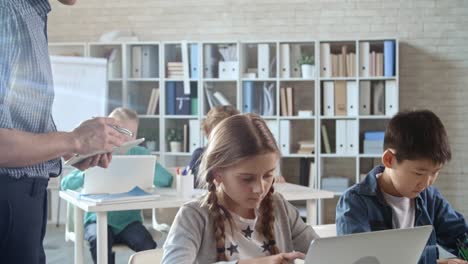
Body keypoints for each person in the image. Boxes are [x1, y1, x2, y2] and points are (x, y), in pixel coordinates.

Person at [0, 1, 127, 263]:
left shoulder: (29, 13)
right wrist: (75, 139)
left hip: (25, 200)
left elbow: (17, 122)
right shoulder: (7, 12)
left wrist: (72, 147)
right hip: (9, 201)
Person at [162, 113, 319, 263]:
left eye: (267, 175)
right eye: (247, 178)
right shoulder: (194, 216)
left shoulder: (279, 206)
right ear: (218, 173)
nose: (259, 188)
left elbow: (321, 252)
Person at [336, 110, 468, 264]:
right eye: (419, 173)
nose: (426, 183)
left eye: (435, 172)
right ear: (389, 159)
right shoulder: (355, 202)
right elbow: (361, 260)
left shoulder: (430, 198)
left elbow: (461, 237)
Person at [61, 107, 173, 264]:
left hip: (128, 221)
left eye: (132, 134)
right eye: (122, 132)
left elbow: (166, 180)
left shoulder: (140, 154)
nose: (127, 139)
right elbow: (65, 184)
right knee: (99, 241)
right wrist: (88, 171)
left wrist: (148, 166)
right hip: (97, 220)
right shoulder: (96, 153)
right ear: (109, 131)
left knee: (146, 244)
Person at [188, 105, 239, 184]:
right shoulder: (199, 155)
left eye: (226, 132)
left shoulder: (240, 157)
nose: (221, 137)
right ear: (208, 132)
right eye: (216, 132)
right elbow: (189, 183)